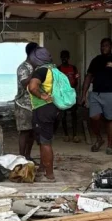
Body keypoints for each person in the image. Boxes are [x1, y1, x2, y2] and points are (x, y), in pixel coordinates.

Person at [81, 38, 112, 155]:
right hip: (96, 94)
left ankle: (109, 146)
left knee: (110, 119)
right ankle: (99, 138)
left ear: (111, 46)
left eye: (106, 45)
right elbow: (88, 77)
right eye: (102, 46)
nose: (103, 48)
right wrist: (83, 94)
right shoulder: (96, 60)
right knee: (94, 117)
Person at [27, 47, 59, 180]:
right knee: (43, 140)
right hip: (54, 108)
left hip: (43, 109)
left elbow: (32, 87)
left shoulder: (40, 71)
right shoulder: (54, 70)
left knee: (45, 142)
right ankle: (42, 167)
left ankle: (50, 174)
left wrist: (41, 96)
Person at [15, 42, 39, 159]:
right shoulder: (23, 67)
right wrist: (34, 71)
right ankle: (21, 158)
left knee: (33, 132)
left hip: (35, 104)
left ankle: (28, 156)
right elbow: (25, 84)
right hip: (23, 105)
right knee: (24, 132)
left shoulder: (37, 67)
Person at [56, 50, 80, 141]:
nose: (64, 59)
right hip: (62, 96)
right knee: (63, 115)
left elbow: (76, 81)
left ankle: (75, 135)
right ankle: (66, 135)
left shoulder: (73, 68)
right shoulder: (58, 69)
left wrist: (72, 89)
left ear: (68, 58)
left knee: (74, 114)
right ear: (60, 58)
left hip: (71, 94)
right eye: (62, 57)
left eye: (66, 57)